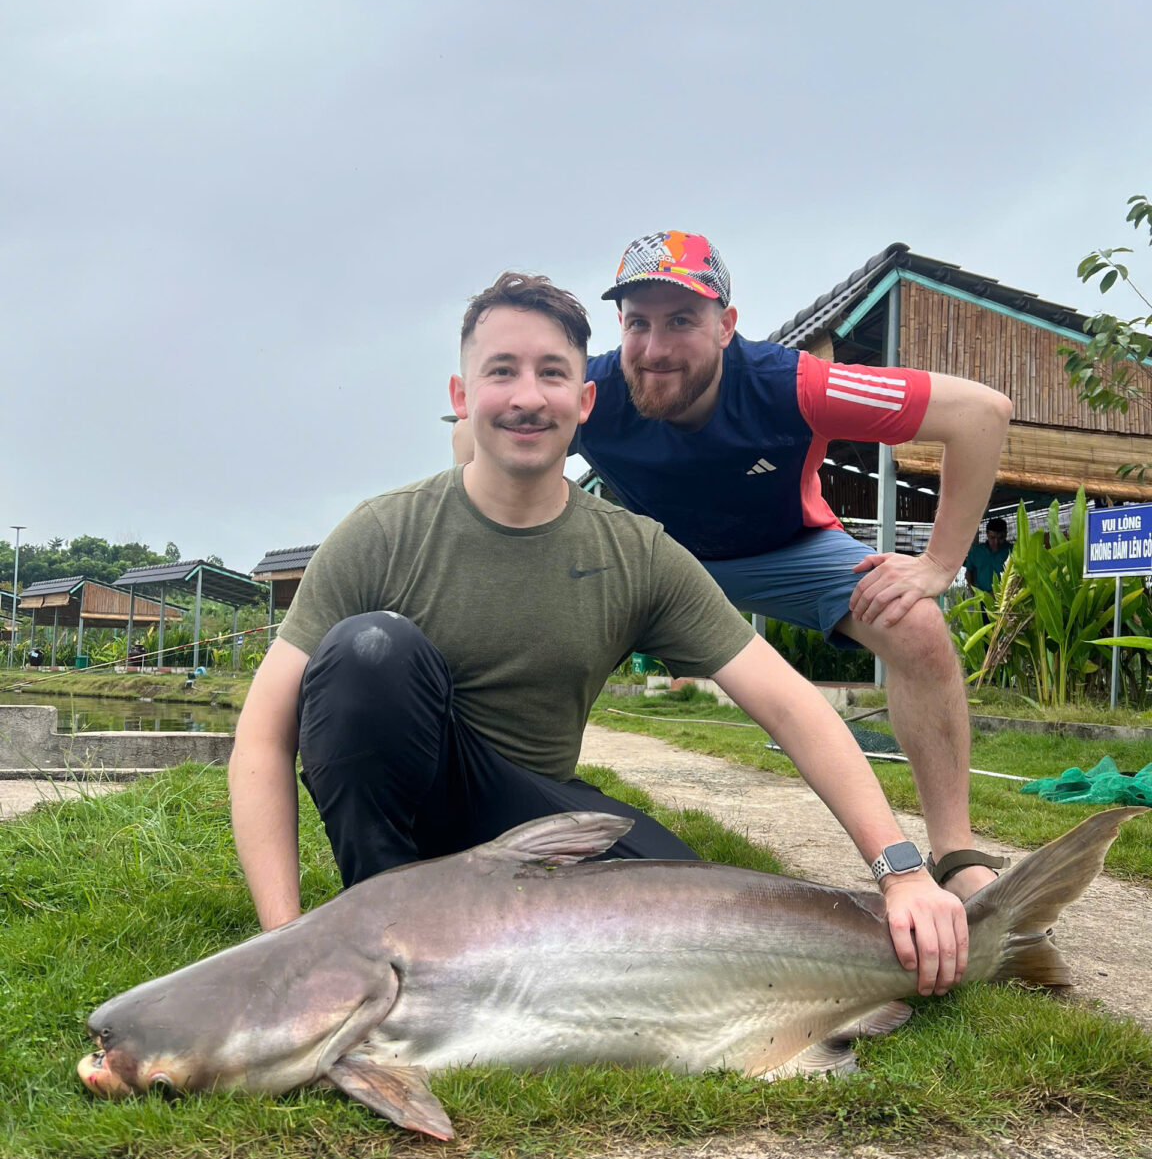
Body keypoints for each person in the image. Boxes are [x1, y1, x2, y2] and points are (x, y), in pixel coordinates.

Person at [231, 271, 968, 996]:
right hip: (408, 814)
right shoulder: (382, 532)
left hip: (531, 821)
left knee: (697, 921)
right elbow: (263, 736)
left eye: (552, 373)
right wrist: (283, 943)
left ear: (584, 401)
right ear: (461, 397)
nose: (527, 397)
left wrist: (901, 871)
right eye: (501, 371)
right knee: (369, 651)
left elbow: (790, 705)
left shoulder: (636, 553)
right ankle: (381, 934)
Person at [452, 232, 1013, 903]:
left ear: (725, 326)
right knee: (509, 623)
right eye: (638, 323)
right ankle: (495, 820)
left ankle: (956, 853)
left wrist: (939, 563)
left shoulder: (792, 384)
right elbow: (469, 435)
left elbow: (980, 413)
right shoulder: (592, 388)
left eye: (681, 321)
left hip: (784, 552)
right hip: (653, 560)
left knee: (917, 625)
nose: (655, 348)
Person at [965, 517, 1011, 593]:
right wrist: (971, 588)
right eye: (992, 538)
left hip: (1005, 595)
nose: (996, 542)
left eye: (1001, 538)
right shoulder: (976, 551)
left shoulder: (1012, 551)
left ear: (1006, 534)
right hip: (982, 595)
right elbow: (968, 571)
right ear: (987, 534)